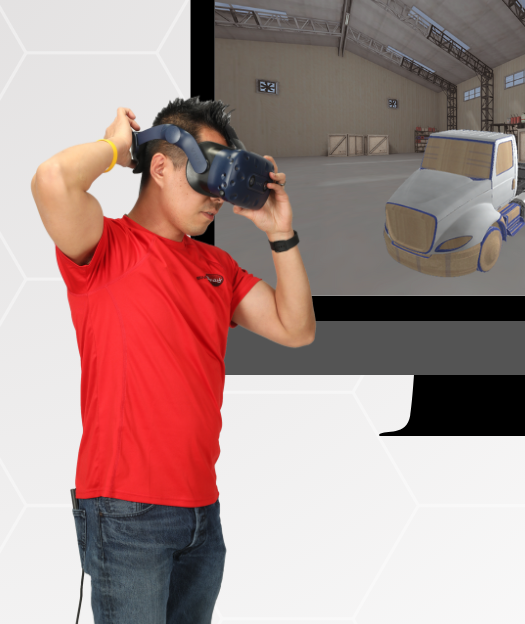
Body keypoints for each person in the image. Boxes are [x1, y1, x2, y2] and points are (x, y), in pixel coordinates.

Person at [31, 97, 316, 622]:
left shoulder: (216, 265)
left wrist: (280, 234)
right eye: (207, 175)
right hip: (126, 511)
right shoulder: (105, 246)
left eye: (222, 182)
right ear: (160, 167)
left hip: (202, 514)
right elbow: (52, 180)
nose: (216, 198)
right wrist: (118, 147)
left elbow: (296, 329)